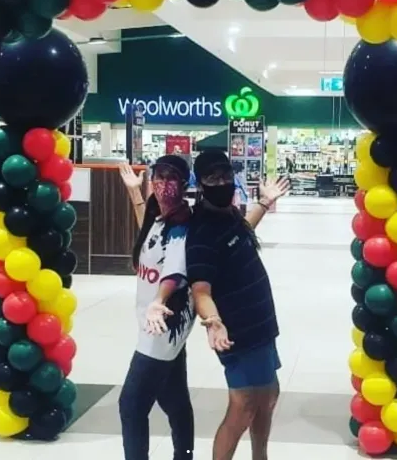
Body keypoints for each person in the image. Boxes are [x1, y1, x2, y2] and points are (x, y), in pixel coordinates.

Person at [185, 149, 289, 460]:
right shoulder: (202, 231)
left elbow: (241, 233)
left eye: (226, 176)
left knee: (268, 396)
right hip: (238, 333)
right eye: (212, 178)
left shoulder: (227, 214)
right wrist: (213, 321)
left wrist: (264, 203)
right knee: (243, 404)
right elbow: (200, 290)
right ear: (200, 184)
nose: (221, 183)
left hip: (261, 326)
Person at [118, 156, 195, 460]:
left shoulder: (182, 225)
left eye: (171, 177)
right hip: (154, 323)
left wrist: (159, 301)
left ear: (184, 184)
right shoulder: (160, 218)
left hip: (163, 325)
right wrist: (134, 192)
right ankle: (184, 455)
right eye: (159, 177)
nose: (164, 184)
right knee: (174, 400)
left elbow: (175, 271)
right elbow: (149, 236)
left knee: (131, 404)